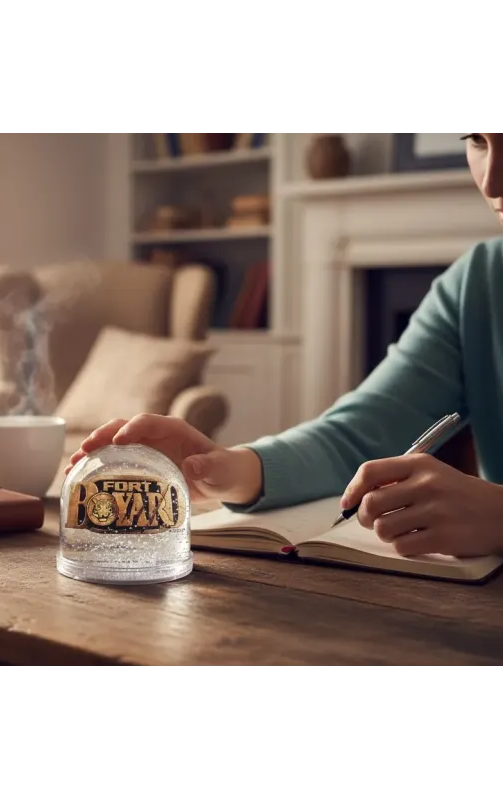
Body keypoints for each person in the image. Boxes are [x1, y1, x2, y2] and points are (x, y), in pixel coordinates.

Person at [65, 130, 503, 560]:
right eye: (477, 139)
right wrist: (226, 468)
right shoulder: (478, 282)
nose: (491, 182)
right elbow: (356, 437)